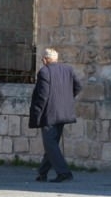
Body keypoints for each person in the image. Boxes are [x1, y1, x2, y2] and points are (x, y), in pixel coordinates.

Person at [29, 48, 83, 183]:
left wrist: (37, 113)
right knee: (52, 144)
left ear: (45, 59)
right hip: (63, 112)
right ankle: (42, 173)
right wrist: (67, 99)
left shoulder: (44, 71)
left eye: (42, 58)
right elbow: (78, 86)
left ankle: (64, 172)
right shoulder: (68, 69)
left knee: (50, 144)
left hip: (49, 113)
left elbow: (43, 95)